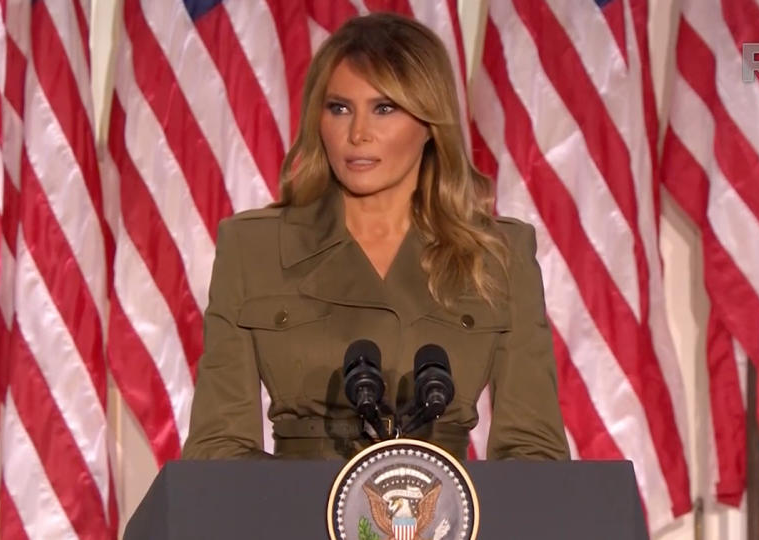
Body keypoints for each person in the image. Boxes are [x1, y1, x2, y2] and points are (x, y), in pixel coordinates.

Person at [182, 13, 568, 462]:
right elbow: (217, 449)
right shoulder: (254, 248)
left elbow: (534, 454)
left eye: (384, 108)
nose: (358, 134)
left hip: (450, 519)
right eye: (339, 108)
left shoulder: (500, 255)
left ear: (428, 124)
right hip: (290, 518)